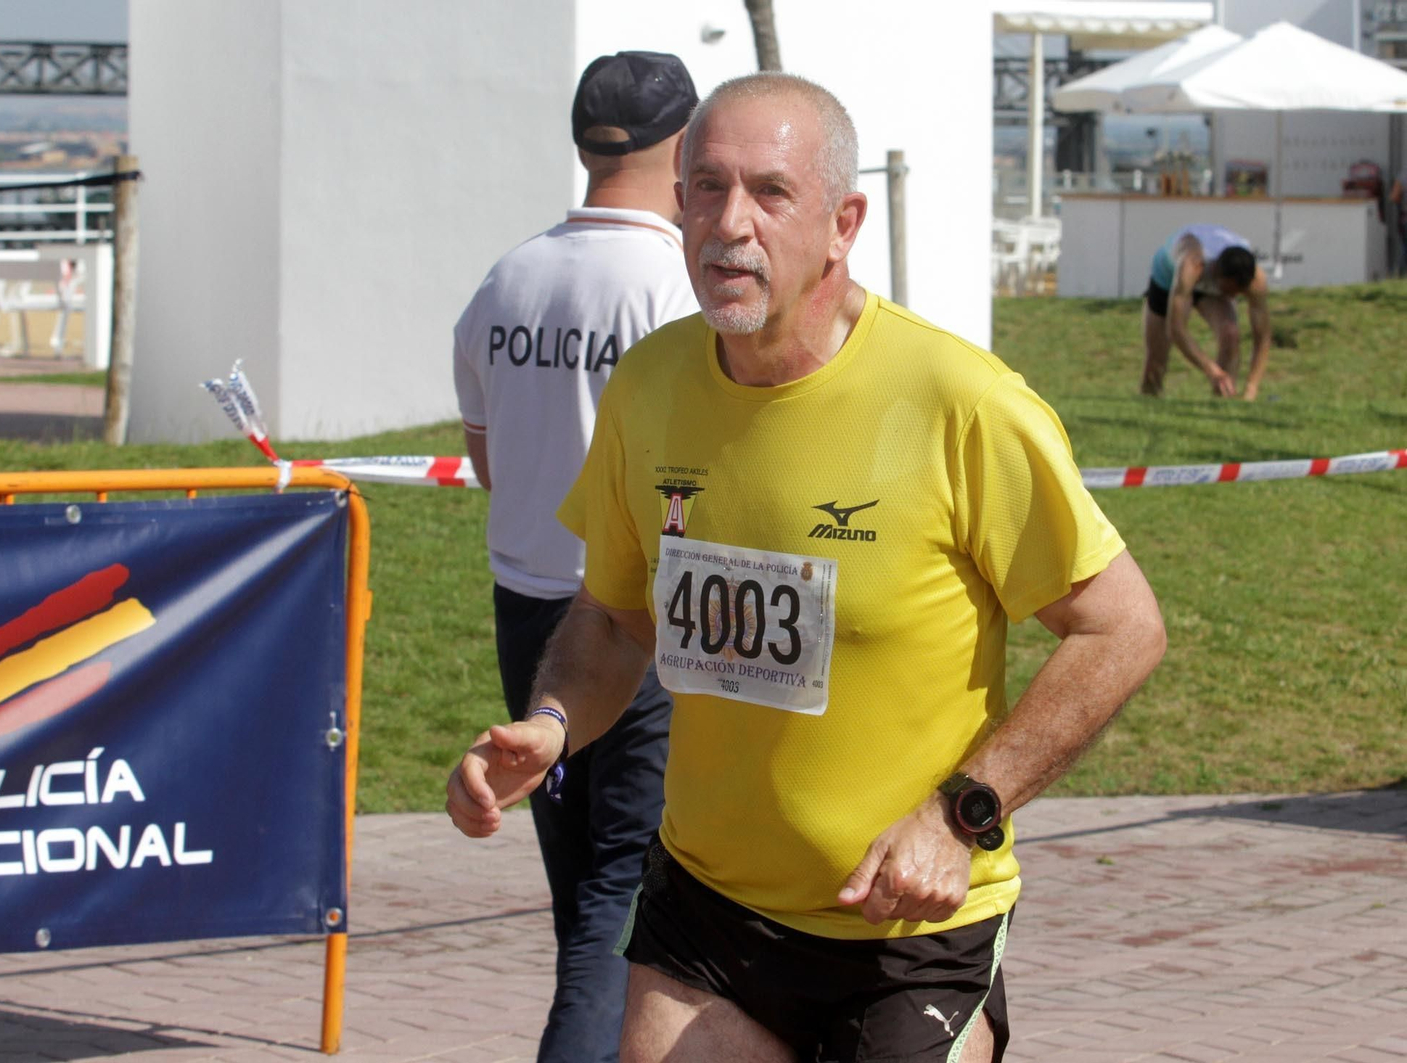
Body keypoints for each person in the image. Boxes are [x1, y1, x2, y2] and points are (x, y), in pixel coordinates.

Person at [447, 72, 1167, 1063]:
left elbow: (1122, 627)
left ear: (843, 221)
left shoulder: (958, 402)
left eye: (769, 192)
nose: (727, 224)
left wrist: (962, 812)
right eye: (705, 187)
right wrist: (552, 722)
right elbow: (614, 619)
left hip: (905, 936)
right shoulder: (649, 387)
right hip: (707, 914)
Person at [450, 50, 700, 1063]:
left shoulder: (508, 276)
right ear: (679, 145)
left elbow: (484, 457)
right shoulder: (675, 286)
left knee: (584, 898)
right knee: (623, 899)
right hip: (634, 619)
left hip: (529, 607)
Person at [1140, 223, 1272, 400]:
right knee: (1156, 360)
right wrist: (1211, 369)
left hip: (1211, 281)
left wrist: (1251, 387)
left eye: (1238, 293)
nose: (1233, 298)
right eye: (1229, 292)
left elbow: (1263, 337)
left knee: (1230, 334)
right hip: (1168, 279)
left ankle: (1223, 401)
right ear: (1217, 273)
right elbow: (1176, 329)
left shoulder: (1256, 280)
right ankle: (1150, 400)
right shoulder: (1192, 264)